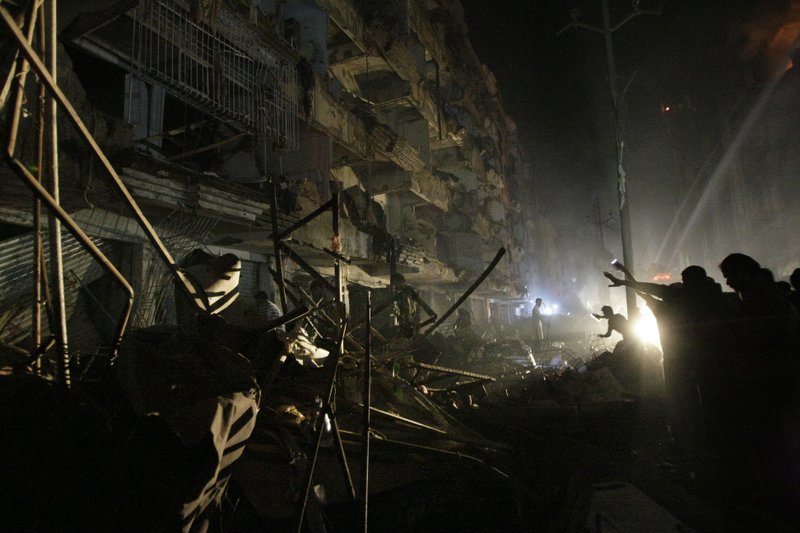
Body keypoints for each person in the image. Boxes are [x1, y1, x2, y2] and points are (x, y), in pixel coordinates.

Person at [391, 273, 436, 338]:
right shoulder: (397, 294)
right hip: (404, 320)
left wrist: (431, 313)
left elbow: (420, 302)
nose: (394, 286)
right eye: (394, 284)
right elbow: (397, 309)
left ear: (401, 281)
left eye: (396, 283)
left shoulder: (409, 290)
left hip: (411, 318)